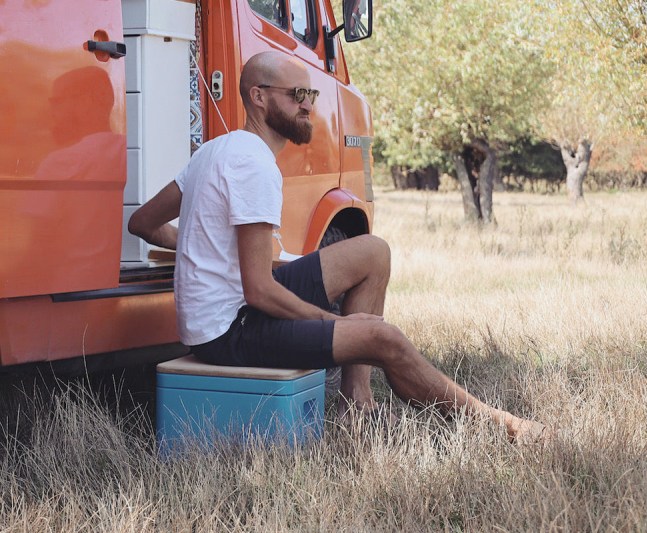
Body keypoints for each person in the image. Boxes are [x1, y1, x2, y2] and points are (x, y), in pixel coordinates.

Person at [128, 51, 548, 444]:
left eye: (309, 95)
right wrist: (328, 321)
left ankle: (356, 406)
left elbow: (143, 223)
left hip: (232, 308)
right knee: (381, 337)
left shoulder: (215, 149)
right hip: (226, 331)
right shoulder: (252, 164)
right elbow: (259, 290)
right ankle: (502, 428)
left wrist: (198, 245)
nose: (308, 105)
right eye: (297, 95)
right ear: (258, 97)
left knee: (372, 252)